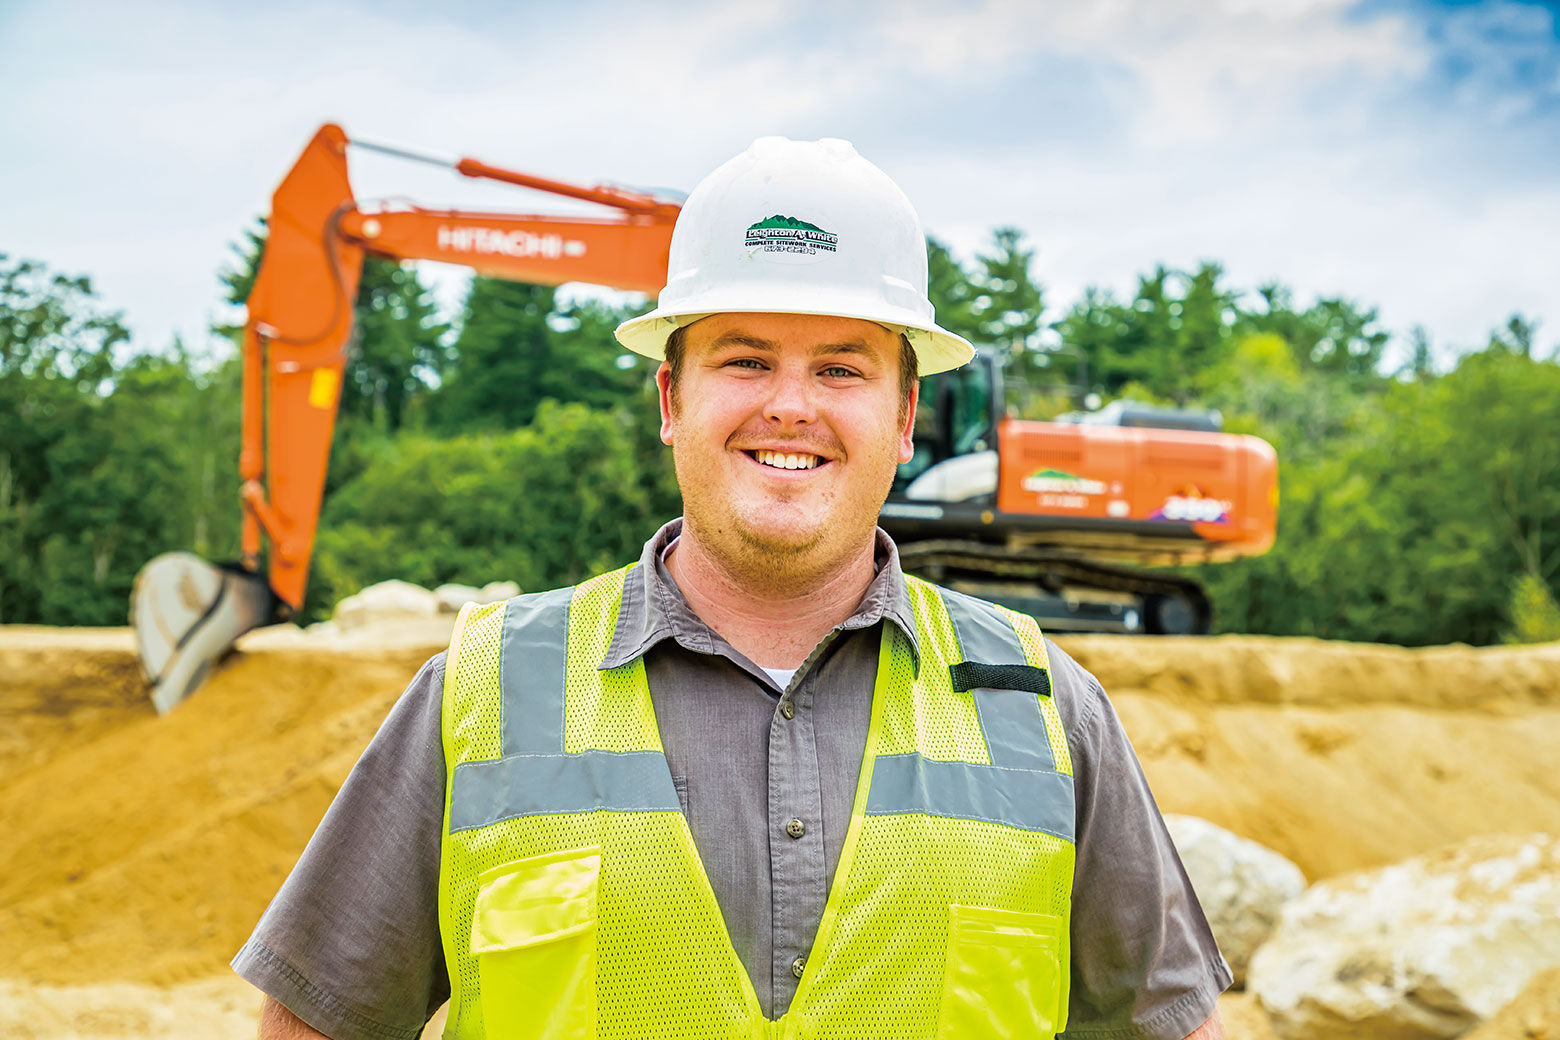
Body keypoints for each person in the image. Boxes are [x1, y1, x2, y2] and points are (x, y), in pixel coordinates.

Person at [235, 137, 1231, 1040]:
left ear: (904, 414)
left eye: (841, 367)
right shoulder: (486, 691)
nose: (790, 405)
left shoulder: (1044, 708)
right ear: (672, 398)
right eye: (746, 359)